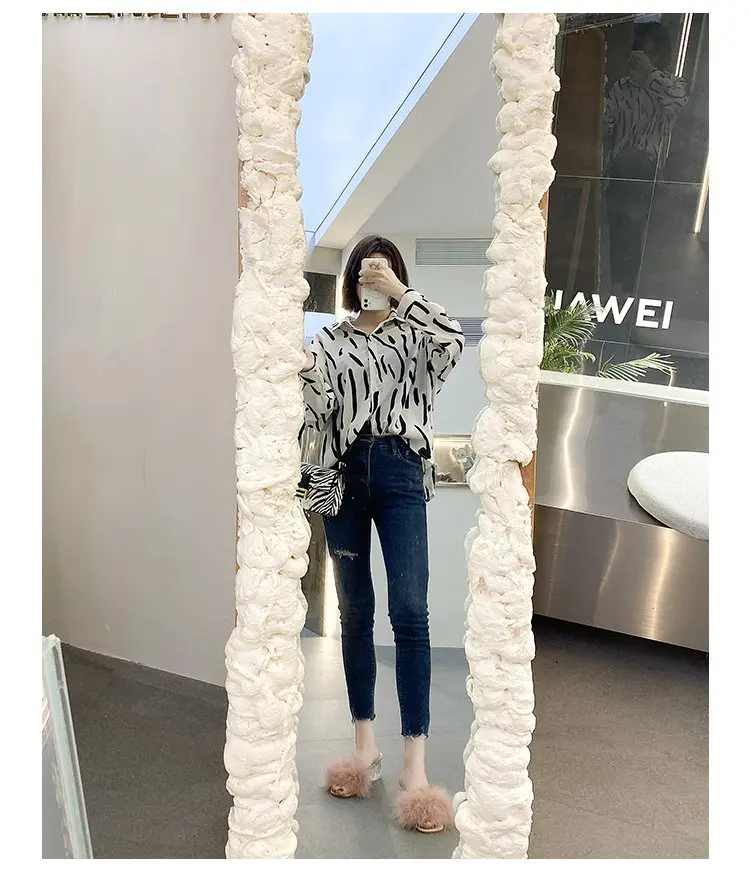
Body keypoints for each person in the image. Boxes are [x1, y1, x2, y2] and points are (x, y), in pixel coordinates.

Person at [299, 235, 464, 833]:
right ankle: (364, 747)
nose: (373, 276)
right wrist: (301, 369)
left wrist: (402, 295)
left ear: (397, 276)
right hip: (344, 474)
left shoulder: (416, 336)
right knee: (354, 611)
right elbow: (314, 408)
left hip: (400, 469)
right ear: (350, 278)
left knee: (411, 611)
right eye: (365, 269)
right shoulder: (331, 341)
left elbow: (454, 341)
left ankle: (414, 767)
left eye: (384, 268)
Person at [603, 21, 688, 296]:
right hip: (618, 170)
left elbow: (677, 102)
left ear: (661, 55)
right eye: (639, 52)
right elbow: (606, 125)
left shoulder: (671, 85)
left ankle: (628, 292)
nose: (642, 58)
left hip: (646, 173)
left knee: (636, 234)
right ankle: (617, 288)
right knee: (616, 232)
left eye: (650, 53)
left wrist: (649, 74)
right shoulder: (621, 87)